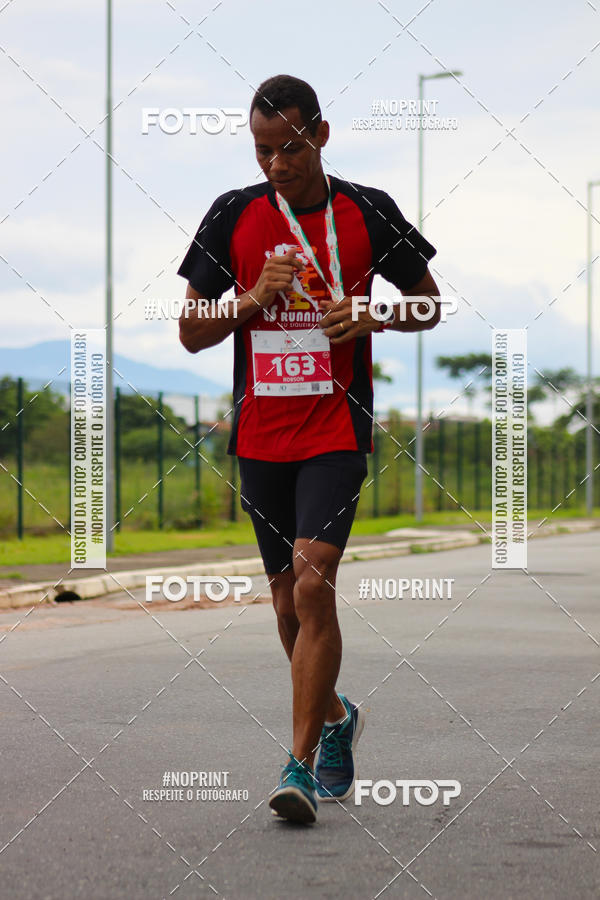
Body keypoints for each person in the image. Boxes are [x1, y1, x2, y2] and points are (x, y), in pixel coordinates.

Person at [178, 74, 441, 825]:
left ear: (320, 135)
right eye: (262, 150)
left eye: (290, 147)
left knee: (313, 583)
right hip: (261, 437)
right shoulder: (231, 214)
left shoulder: (368, 210)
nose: (276, 164)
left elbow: (430, 304)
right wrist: (252, 298)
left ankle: (296, 765)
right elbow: (190, 333)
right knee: (285, 604)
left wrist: (374, 315)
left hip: (335, 431)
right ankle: (335, 716)